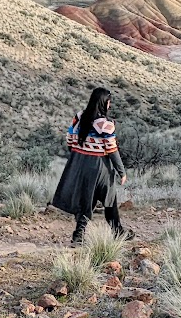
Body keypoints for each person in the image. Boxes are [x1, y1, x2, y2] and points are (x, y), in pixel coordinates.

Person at [50, 86, 133, 244]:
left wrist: (79, 153)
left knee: (86, 199)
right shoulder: (105, 124)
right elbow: (111, 149)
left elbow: (69, 138)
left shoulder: (80, 116)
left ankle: (79, 235)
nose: (110, 105)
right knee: (109, 197)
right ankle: (117, 231)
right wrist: (121, 171)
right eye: (109, 102)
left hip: (79, 162)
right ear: (104, 103)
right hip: (99, 164)